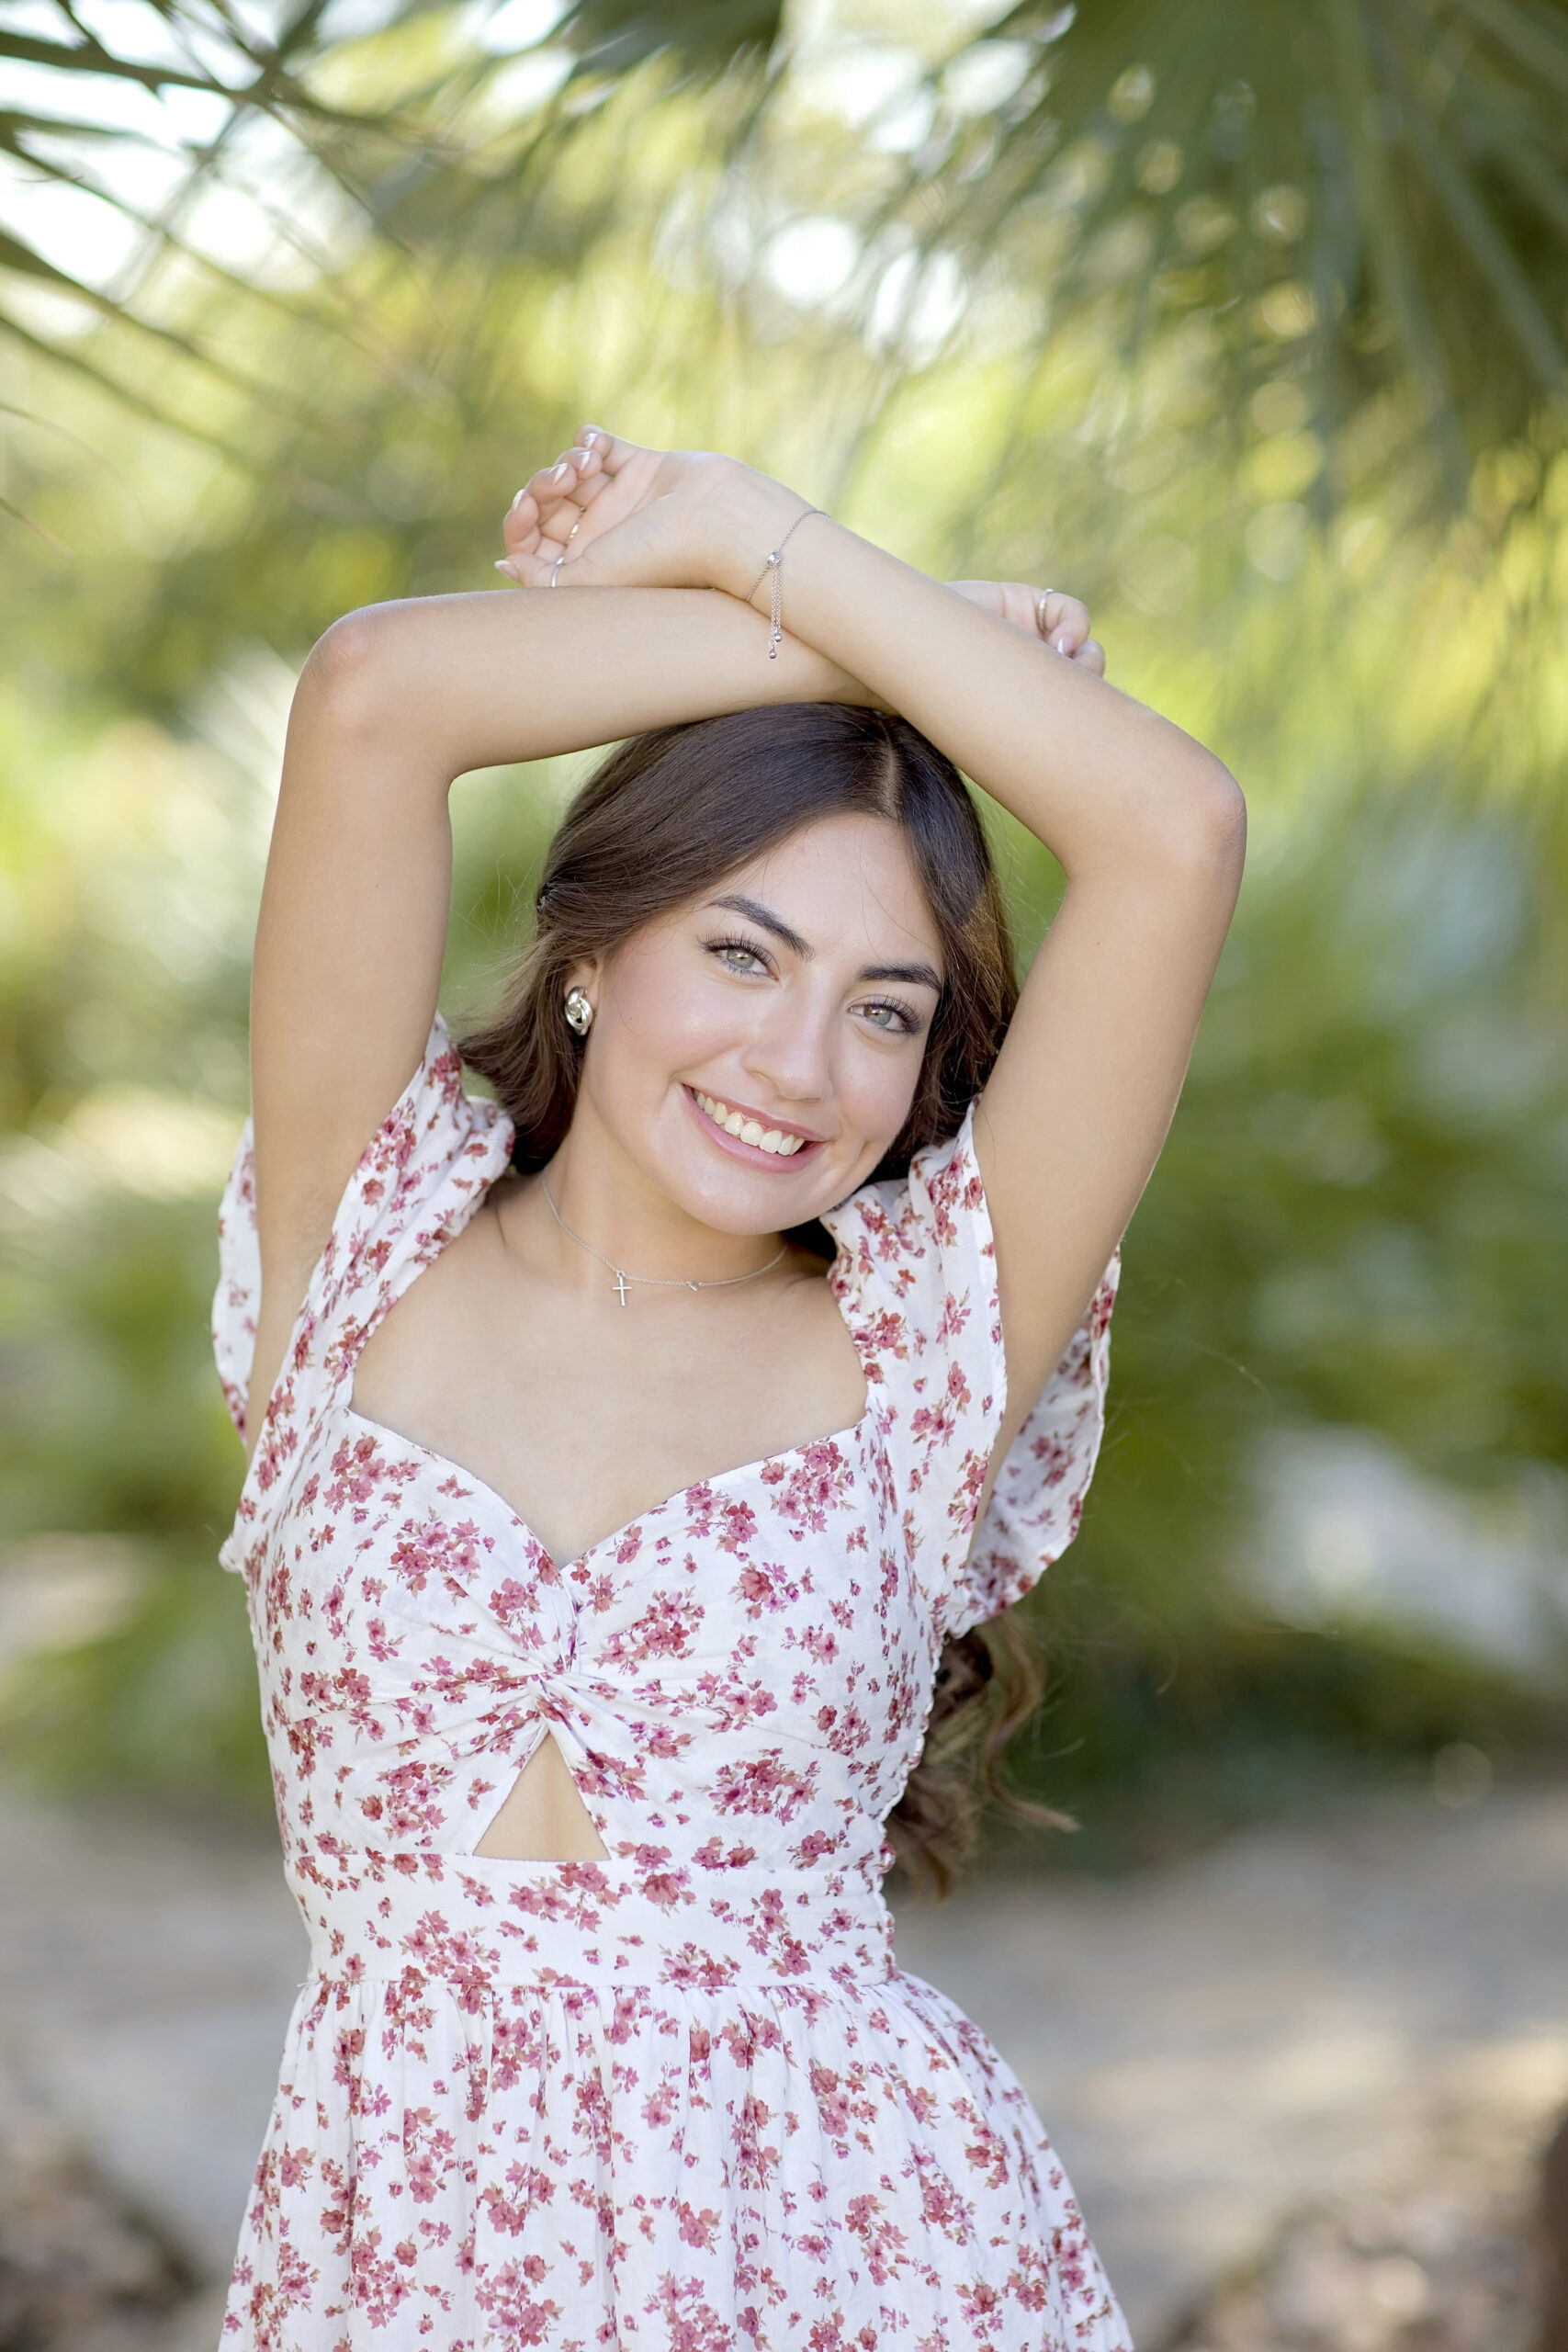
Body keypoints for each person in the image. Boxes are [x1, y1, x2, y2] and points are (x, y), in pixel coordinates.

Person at [212, 427, 1245, 2351]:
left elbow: (1171, 831)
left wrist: (758, 539)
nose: (798, 1064)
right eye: (743, 953)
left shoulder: (926, 1341)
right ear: (596, 951)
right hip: (406, 2262)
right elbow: (375, 696)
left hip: (856, 2258)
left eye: (884, 1008)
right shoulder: (359, 1241)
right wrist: (907, 633)